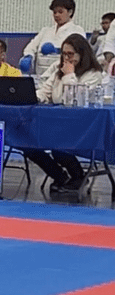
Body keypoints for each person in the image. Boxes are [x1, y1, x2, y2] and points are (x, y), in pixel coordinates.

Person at [23, 34, 105, 195]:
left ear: (82, 54)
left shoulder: (94, 74)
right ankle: (59, 176)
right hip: (56, 124)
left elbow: (72, 100)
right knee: (27, 144)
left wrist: (69, 75)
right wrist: (30, 97)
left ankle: (78, 176)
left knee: (58, 147)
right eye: (64, 54)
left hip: (81, 127)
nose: (66, 58)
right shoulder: (58, 71)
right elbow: (45, 91)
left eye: (70, 54)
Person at [21, 0, 84, 80]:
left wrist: (56, 51)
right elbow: (32, 46)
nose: (56, 15)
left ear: (70, 12)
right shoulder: (46, 31)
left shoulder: (77, 30)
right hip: (41, 76)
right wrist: (28, 56)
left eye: (60, 12)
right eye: (54, 12)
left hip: (62, 77)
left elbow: (79, 53)